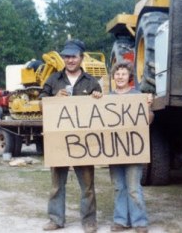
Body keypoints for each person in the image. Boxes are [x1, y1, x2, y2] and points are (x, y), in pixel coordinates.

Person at [41, 39, 102, 233]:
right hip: (59, 139)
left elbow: (102, 112)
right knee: (57, 184)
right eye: (67, 56)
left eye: (74, 56)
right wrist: (53, 99)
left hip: (84, 141)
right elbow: (41, 103)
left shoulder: (92, 82)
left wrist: (98, 99)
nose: (70, 60)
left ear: (81, 58)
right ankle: (56, 219)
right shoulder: (53, 79)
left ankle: (89, 221)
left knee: (87, 185)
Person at [109, 61, 153, 233]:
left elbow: (148, 120)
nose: (120, 77)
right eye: (117, 74)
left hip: (133, 150)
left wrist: (147, 107)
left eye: (123, 74)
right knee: (119, 187)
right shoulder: (107, 98)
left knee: (134, 188)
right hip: (113, 151)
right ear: (113, 77)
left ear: (130, 77)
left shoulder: (138, 96)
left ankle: (139, 222)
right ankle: (120, 220)